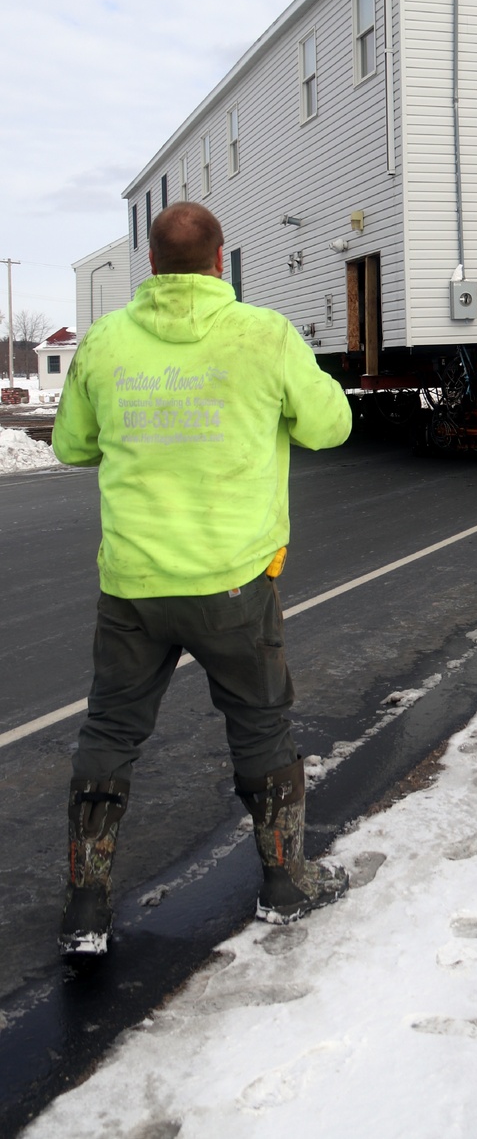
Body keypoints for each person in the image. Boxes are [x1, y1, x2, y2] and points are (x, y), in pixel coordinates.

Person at [52, 202, 353, 953]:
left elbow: (71, 445)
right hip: (234, 584)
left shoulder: (106, 342)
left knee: (111, 730)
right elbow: (329, 427)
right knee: (258, 723)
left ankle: (86, 907)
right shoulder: (264, 335)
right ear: (221, 261)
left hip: (133, 584)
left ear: (151, 265)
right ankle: (284, 883)